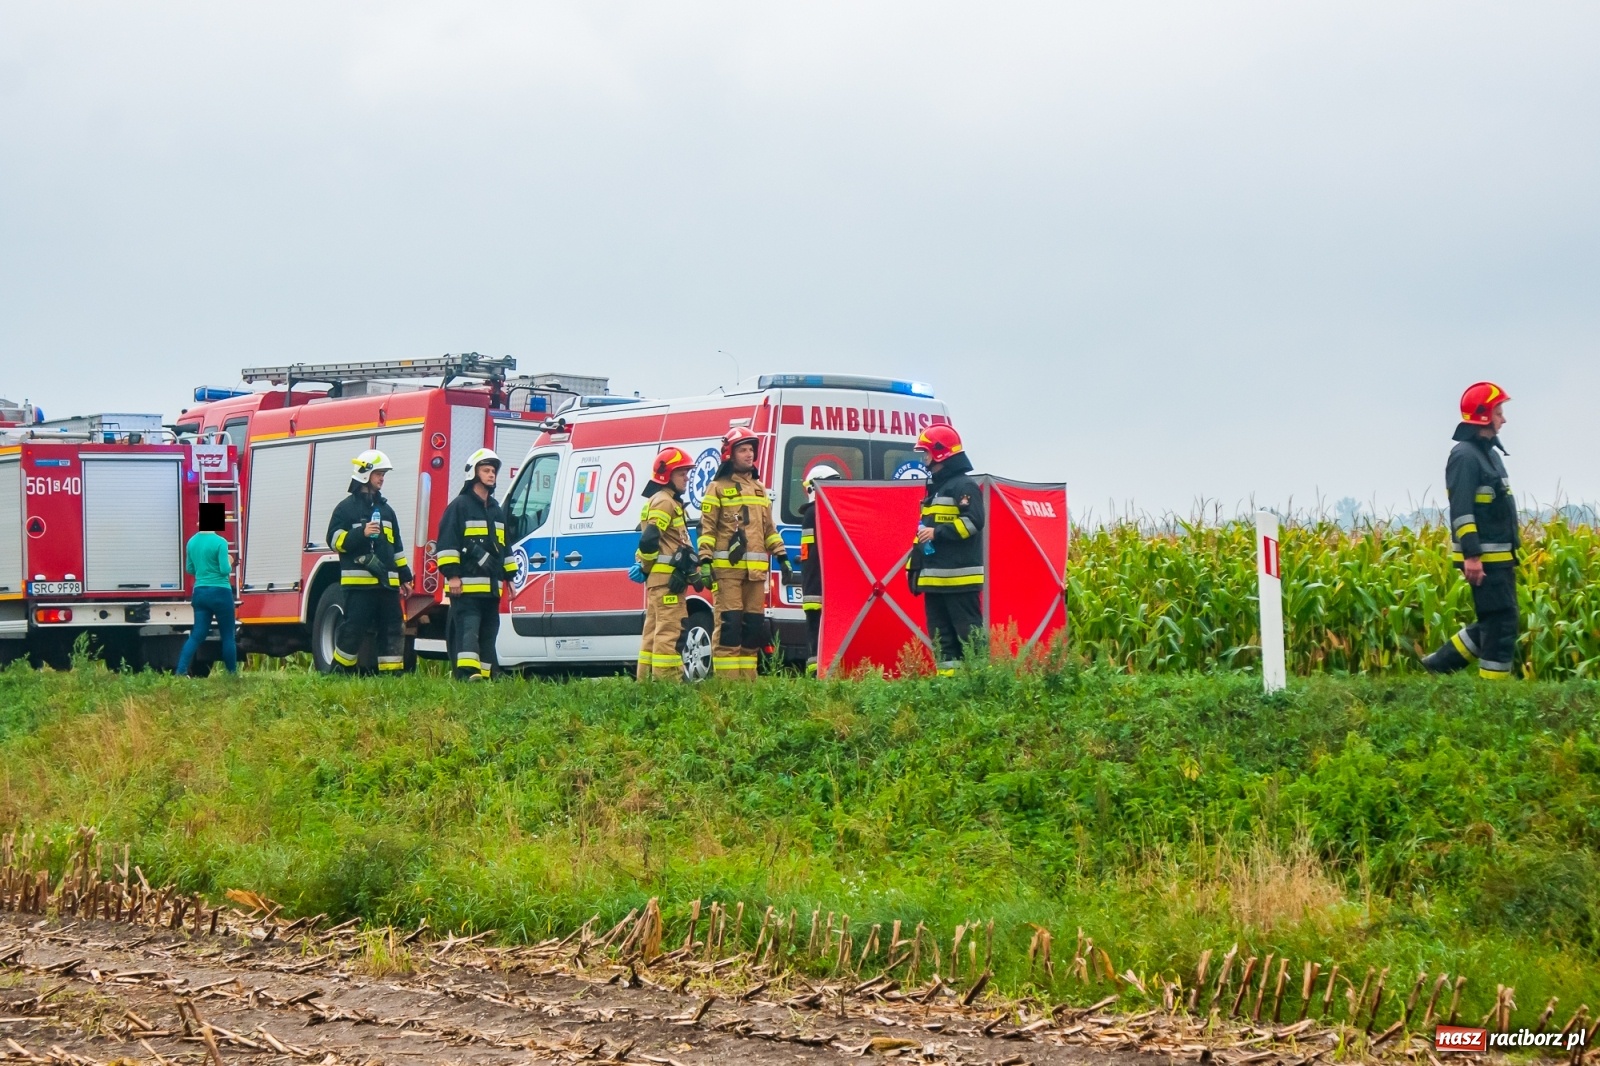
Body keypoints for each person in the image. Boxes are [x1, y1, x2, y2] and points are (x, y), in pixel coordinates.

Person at [1422, 382, 1520, 680]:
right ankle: (1493, 690)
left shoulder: (1489, 454)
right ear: (1484, 416)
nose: (1503, 419)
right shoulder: (1465, 456)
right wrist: (1473, 556)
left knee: (1498, 620)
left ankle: (1440, 664)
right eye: (1499, 412)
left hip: (1500, 557)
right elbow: (1462, 512)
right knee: (1500, 622)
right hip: (1484, 560)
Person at [696, 427, 792, 679]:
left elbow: (769, 529)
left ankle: (747, 686)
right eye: (743, 450)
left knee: (753, 629)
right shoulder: (716, 488)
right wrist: (705, 560)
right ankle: (728, 686)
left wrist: (782, 556)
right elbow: (707, 529)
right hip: (727, 573)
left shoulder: (760, 489)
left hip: (756, 574)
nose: (749, 455)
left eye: (752, 449)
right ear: (730, 454)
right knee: (730, 625)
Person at [905, 424, 985, 673]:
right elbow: (924, 532)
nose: (924, 459)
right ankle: (949, 689)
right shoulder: (938, 488)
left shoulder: (963, 486)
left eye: (926, 452)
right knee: (943, 640)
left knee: (969, 636)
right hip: (935, 580)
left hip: (960, 580)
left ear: (941, 453)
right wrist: (915, 567)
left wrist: (938, 533)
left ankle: (981, 685)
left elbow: (973, 522)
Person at [326, 449, 412, 674]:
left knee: (393, 628)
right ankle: (341, 671)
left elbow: (397, 548)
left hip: (387, 585)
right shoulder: (346, 509)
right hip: (359, 586)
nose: (382, 478)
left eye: (383, 474)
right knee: (353, 629)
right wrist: (360, 533)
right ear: (364, 474)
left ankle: (391, 674)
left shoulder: (387, 511)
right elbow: (334, 540)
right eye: (378, 473)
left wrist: (405, 577)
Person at [435, 448, 517, 680]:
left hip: (491, 588)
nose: (491, 475)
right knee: (468, 631)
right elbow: (448, 543)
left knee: (489, 631)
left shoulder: (495, 511)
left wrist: (509, 577)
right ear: (474, 473)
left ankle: (487, 674)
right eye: (486, 470)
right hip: (466, 587)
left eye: (493, 471)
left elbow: (505, 547)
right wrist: (452, 576)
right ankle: (466, 675)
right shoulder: (459, 506)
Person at [635, 446, 698, 680]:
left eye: (687, 473)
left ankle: (646, 683)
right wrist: (646, 566)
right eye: (681, 473)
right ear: (666, 475)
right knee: (669, 633)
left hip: (661, 582)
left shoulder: (664, 500)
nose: (686, 478)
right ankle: (667, 685)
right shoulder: (665, 502)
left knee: (652, 633)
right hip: (668, 583)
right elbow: (650, 539)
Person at [176, 501, 237, 676]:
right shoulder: (220, 542)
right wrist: (231, 560)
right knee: (227, 636)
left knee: (197, 634)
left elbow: (190, 569)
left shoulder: (192, 542)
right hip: (220, 592)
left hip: (200, 592)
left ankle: (180, 671)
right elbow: (225, 570)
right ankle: (231, 674)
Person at [797, 464, 842, 675]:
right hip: (829, 588)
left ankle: (816, 675)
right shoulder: (832, 513)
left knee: (815, 634)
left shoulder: (811, 513)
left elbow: (811, 554)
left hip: (814, 589)